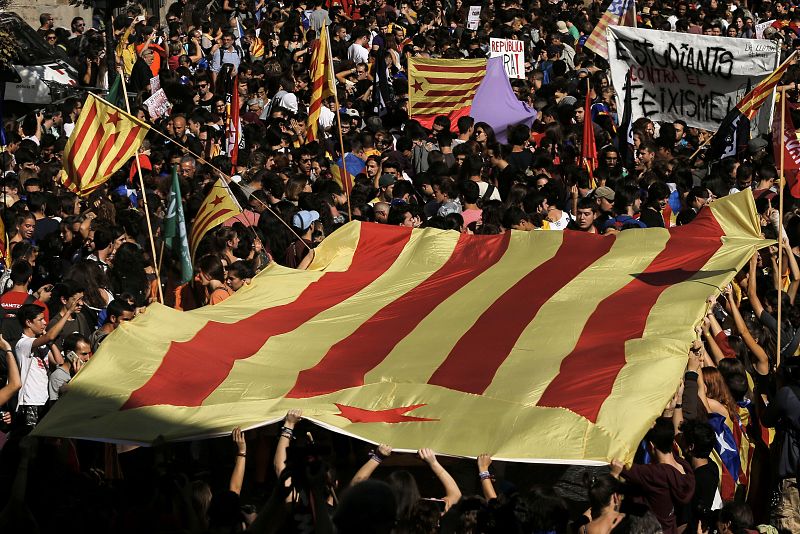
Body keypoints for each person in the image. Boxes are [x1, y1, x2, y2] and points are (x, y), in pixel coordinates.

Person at [14, 300, 80, 430]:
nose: (45, 323)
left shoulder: (42, 344)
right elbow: (50, 336)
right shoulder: (23, 343)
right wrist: (68, 313)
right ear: (28, 322)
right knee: (30, 437)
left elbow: (59, 361)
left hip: (44, 399)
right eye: (40, 320)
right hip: (30, 401)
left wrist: (50, 343)